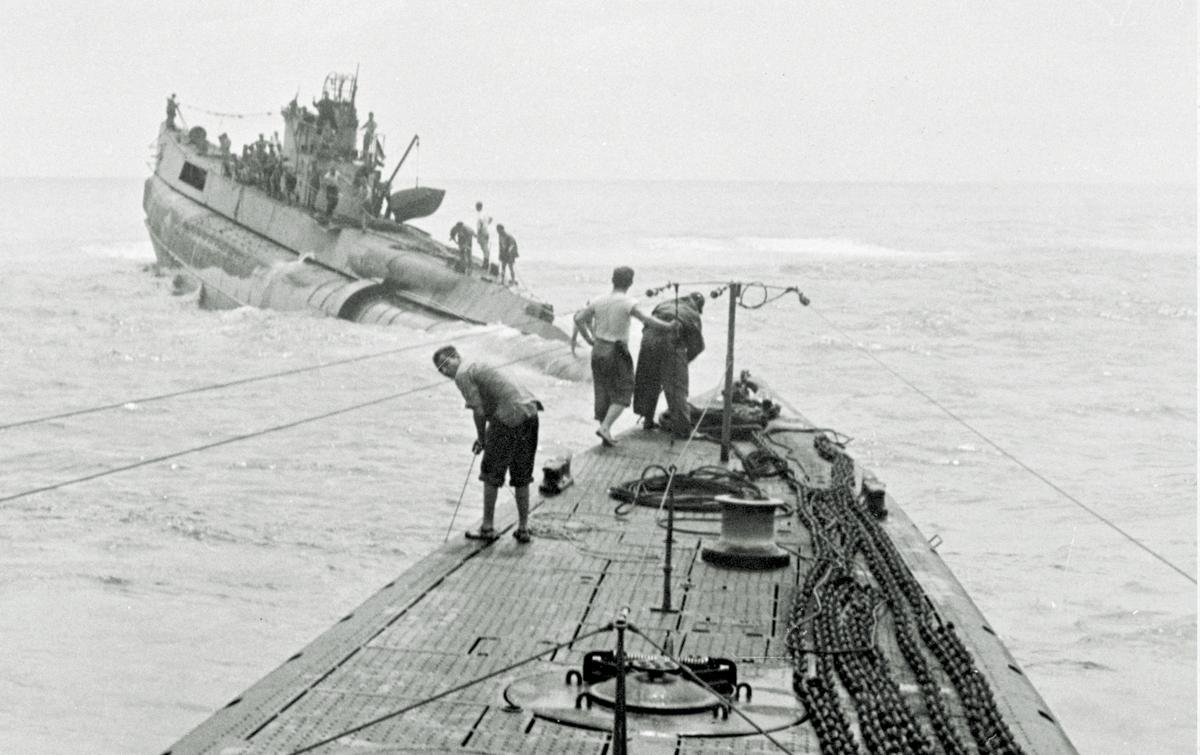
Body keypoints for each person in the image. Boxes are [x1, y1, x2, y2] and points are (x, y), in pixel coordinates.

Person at [433, 345, 541, 543]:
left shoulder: (462, 374)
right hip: (530, 411)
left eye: (446, 364)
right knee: (522, 473)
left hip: (509, 415)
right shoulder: (479, 361)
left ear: (456, 356)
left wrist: (482, 439)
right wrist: (485, 436)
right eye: (441, 370)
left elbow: (479, 411)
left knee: (491, 473)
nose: (445, 371)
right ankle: (524, 528)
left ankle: (487, 527)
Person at [573, 266, 679, 447]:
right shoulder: (628, 302)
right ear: (630, 282)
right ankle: (606, 427)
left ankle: (605, 431)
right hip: (616, 350)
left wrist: (589, 339)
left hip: (598, 349)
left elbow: (579, 319)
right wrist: (669, 326)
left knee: (603, 390)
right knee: (624, 392)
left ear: (613, 280)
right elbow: (647, 320)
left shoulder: (598, 300)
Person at [633, 292, 706, 437]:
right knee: (677, 388)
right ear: (698, 307)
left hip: (648, 339)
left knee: (648, 380)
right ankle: (684, 430)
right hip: (669, 341)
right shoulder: (693, 313)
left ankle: (647, 421)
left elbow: (647, 323)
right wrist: (683, 362)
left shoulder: (663, 304)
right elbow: (697, 346)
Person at [475, 201, 492, 271]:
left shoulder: (480, 214)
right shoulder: (485, 214)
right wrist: (487, 225)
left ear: (478, 207)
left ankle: (485, 264)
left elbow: (480, 223)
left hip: (482, 232)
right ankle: (485, 263)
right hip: (486, 231)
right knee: (484, 247)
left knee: (484, 247)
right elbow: (491, 219)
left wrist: (479, 232)